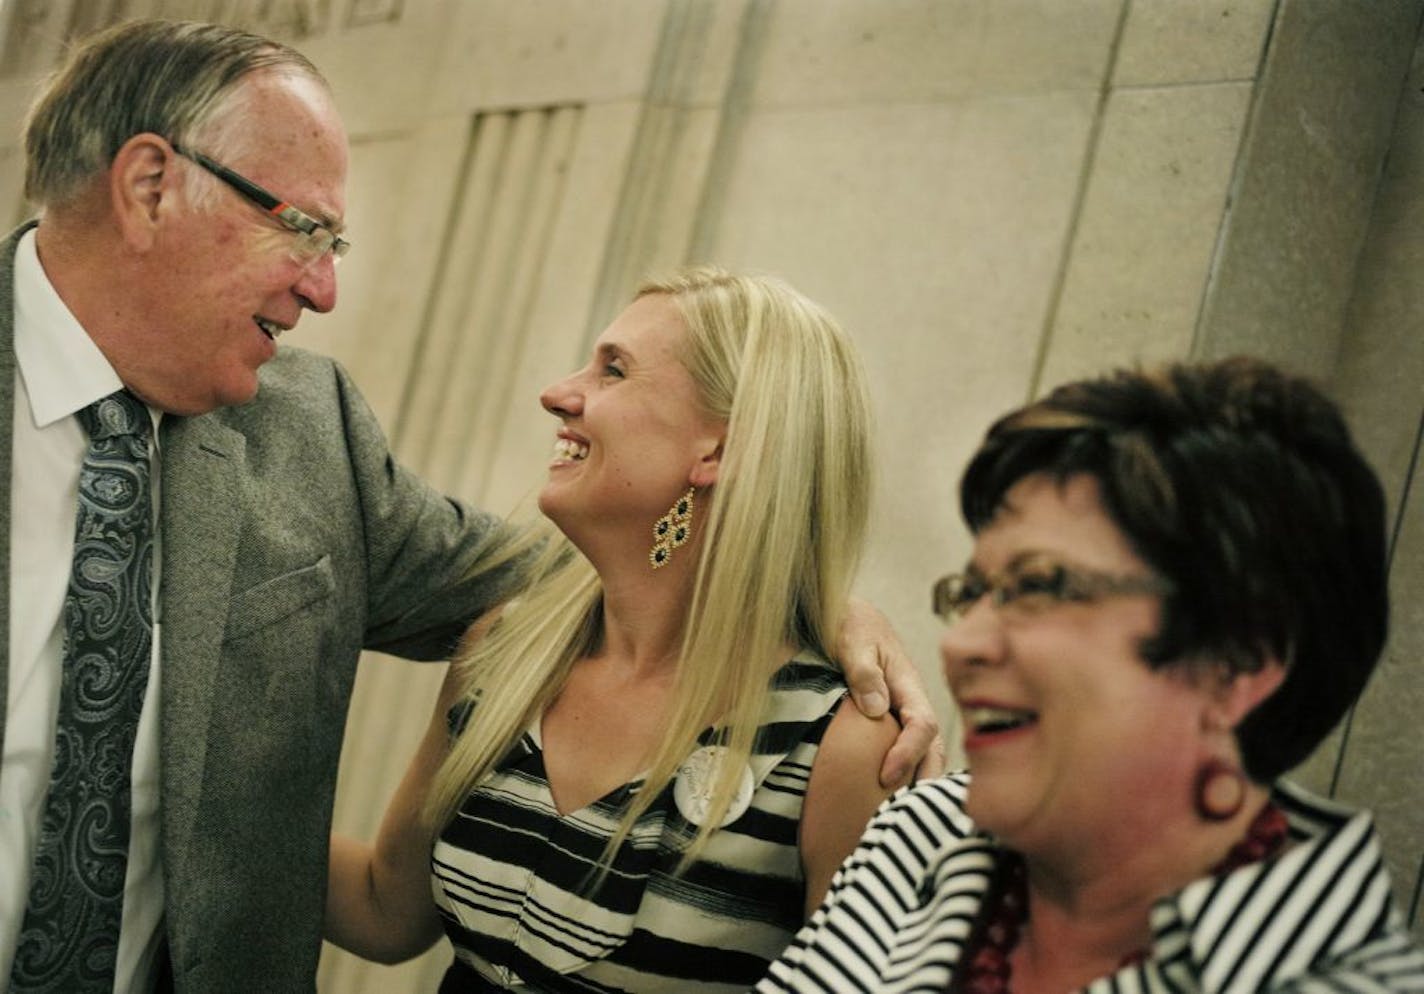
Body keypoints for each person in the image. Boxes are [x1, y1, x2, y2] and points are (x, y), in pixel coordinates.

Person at [0, 19, 938, 994]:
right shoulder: (507, 668)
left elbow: (597, 585)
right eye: (306, 228)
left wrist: (812, 607)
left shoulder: (311, 434)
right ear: (152, 186)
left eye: (614, 367)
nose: (323, 286)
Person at [757, 357, 1424, 993]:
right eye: (973, 591)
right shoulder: (921, 831)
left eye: (1040, 586)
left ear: (1235, 665)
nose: (961, 644)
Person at [324, 266, 905, 991]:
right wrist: (174, 787)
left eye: (613, 371)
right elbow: (386, 911)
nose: (558, 393)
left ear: (717, 452)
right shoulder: (505, 652)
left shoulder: (839, 749)